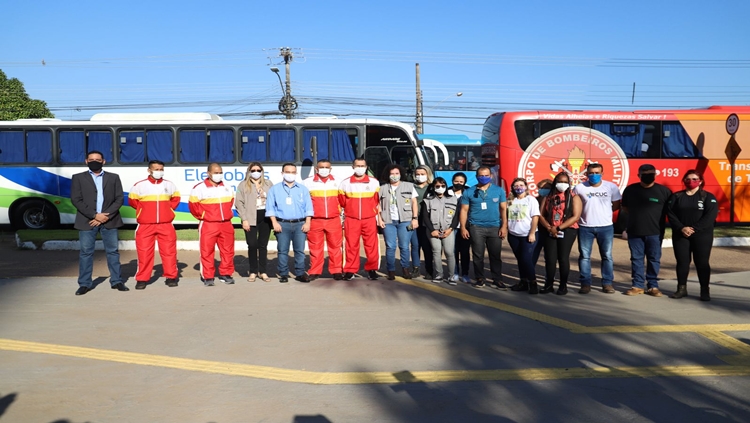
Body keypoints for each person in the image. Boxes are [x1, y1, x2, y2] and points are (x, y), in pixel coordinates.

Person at [70, 150, 127, 296]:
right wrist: (95, 215)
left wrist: (105, 216)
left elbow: (119, 199)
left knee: (113, 252)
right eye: (91, 159)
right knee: (86, 253)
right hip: (87, 221)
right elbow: (76, 199)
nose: (94, 161)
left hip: (110, 220)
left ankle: (117, 281)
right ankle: (84, 284)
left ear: (103, 161)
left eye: (98, 159)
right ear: (86, 161)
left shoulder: (113, 178)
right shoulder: (78, 178)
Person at [128, 160, 181, 289]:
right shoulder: (139, 186)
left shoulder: (170, 185)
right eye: (156, 169)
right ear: (149, 170)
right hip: (145, 225)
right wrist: (144, 212)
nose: (159, 172)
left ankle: (171, 276)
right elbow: (132, 201)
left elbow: (176, 199)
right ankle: (142, 279)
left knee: (169, 252)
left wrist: (168, 210)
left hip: (166, 224)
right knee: (144, 253)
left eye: (161, 169)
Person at [621, 164, 673, 297]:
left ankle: (653, 286)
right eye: (644, 174)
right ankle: (637, 286)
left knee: (654, 259)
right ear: (638, 176)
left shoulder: (664, 191)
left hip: (655, 232)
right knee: (636, 259)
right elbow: (625, 208)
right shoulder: (630, 190)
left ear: (655, 175)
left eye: (651, 174)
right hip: (635, 231)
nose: (648, 176)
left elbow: (670, 211)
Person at [666, 170, 718, 301]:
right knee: (682, 262)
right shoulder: (676, 197)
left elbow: (710, 216)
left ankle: (705, 291)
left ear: (700, 181)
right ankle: (681, 289)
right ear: (683, 180)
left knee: (702, 263)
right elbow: (671, 214)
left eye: (695, 179)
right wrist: (681, 228)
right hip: (681, 235)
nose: (691, 181)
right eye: (688, 179)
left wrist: (694, 229)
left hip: (702, 236)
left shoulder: (708, 197)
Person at [573, 163, 621, 294]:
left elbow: (616, 205)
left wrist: (603, 213)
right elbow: (575, 206)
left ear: (602, 174)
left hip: (605, 227)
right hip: (585, 227)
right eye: (591, 173)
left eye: (597, 173)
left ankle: (607, 283)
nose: (594, 175)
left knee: (607, 256)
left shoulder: (611, 187)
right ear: (587, 174)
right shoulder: (579, 188)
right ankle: (585, 283)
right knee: (584, 256)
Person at [459, 166, 508, 289]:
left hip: (494, 227)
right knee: (477, 255)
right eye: (481, 175)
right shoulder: (469, 192)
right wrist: (463, 228)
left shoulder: (499, 190)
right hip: (476, 227)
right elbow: (464, 211)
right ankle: (480, 278)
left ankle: (497, 279)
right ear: (476, 176)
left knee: (495, 255)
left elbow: (503, 209)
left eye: (486, 175)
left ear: (491, 176)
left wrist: (504, 226)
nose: (484, 177)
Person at [266, 163, 314, 283]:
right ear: (282, 173)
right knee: (283, 250)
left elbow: (308, 207)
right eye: (288, 172)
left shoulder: (303, 189)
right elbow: (270, 207)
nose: (290, 175)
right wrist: (274, 223)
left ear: (296, 173)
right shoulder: (275, 189)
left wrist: (307, 222)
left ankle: (300, 273)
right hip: (282, 224)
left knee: (300, 251)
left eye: (293, 172)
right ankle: (283, 274)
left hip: (300, 224)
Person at [189, 163, 235, 286]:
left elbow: (231, 202)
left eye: (220, 172)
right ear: (208, 173)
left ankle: (226, 273)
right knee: (207, 251)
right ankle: (208, 276)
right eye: (216, 173)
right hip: (208, 224)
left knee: (228, 251)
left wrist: (224, 215)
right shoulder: (199, 188)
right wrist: (204, 216)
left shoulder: (227, 186)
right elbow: (193, 206)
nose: (219, 175)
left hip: (226, 224)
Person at [538, 172, 582, 295]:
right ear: (555, 182)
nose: (562, 184)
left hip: (567, 230)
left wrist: (558, 228)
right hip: (549, 229)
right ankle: (548, 284)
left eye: (565, 182)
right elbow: (541, 214)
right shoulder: (548, 196)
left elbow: (575, 216)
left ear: (569, 183)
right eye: (559, 182)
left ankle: (563, 285)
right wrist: (549, 227)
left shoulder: (574, 197)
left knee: (563, 258)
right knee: (550, 259)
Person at [338, 157, 381, 280]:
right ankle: (350, 270)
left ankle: (372, 269)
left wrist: (375, 215)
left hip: (369, 219)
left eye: (362, 166)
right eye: (358, 166)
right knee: (351, 245)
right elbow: (342, 201)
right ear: (353, 167)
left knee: (371, 245)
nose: (360, 168)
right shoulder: (345, 183)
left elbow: (377, 201)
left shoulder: (374, 182)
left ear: (366, 167)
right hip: (351, 219)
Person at [303, 159, 344, 281]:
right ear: (316, 168)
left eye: (327, 167)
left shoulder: (338, 181)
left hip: (334, 219)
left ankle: (336, 270)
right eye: (322, 167)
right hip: (315, 220)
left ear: (330, 169)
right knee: (315, 247)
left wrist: (343, 217)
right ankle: (315, 271)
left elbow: (343, 200)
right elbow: (304, 202)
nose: (324, 170)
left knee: (336, 247)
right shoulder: (307, 182)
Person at [378, 164, 419, 280]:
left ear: (401, 174)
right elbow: (377, 205)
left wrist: (415, 218)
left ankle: (405, 269)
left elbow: (414, 203)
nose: (394, 176)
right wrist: (379, 219)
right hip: (388, 221)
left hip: (405, 220)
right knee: (390, 246)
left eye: (397, 173)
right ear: (388, 175)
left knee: (404, 246)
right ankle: (391, 270)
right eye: (392, 174)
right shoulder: (382, 188)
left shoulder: (409, 186)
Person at [235, 162, 274, 282]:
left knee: (263, 245)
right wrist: (244, 219)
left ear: (262, 171)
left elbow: (273, 200)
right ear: (249, 171)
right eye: (253, 170)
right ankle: (252, 271)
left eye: (258, 170)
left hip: (265, 217)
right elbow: (239, 203)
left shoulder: (268, 184)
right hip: (250, 218)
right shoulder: (243, 185)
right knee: (252, 245)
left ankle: (263, 272)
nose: (256, 172)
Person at [423, 177, 460, 285]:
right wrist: (432, 230)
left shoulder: (453, 199)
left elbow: (456, 217)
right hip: (433, 231)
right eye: (437, 186)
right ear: (433, 187)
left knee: (449, 252)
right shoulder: (427, 201)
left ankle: (452, 276)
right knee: (436, 251)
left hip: (448, 230)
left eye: (443, 186)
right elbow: (425, 217)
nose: (440, 188)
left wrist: (450, 229)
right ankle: (439, 275)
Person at [506, 178, 541, 294]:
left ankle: (533, 282)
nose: (518, 187)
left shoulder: (531, 200)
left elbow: (535, 217)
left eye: (521, 185)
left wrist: (532, 233)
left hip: (527, 234)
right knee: (520, 259)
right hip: (513, 235)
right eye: (516, 185)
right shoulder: (510, 200)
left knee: (526, 259)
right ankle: (523, 282)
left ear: (526, 187)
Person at [412, 165, 434, 279]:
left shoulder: (432, 187)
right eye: (417, 174)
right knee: (415, 245)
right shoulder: (411, 187)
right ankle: (415, 268)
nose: (420, 176)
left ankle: (429, 270)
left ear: (428, 174)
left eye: (422, 174)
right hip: (414, 219)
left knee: (427, 246)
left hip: (427, 220)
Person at [450, 173, 471, 283]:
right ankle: (455, 272)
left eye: (461, 182)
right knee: (452, 251)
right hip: (451, 228)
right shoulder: (446, 192)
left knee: (465, 251)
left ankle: (465, 273)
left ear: (464, 183)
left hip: (465, 227)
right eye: (456, 181)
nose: (458, 183)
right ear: (452, 181)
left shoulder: (469, 192)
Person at [532, 179, 553, 266]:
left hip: (549, 231)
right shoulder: (533, 200)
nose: (543, 189)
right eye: (541, 187)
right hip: (537, 231)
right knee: (533, 254)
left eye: (546, 188)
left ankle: (550, 277)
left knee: (550, 257)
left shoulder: (554, 201)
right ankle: (529, 275)